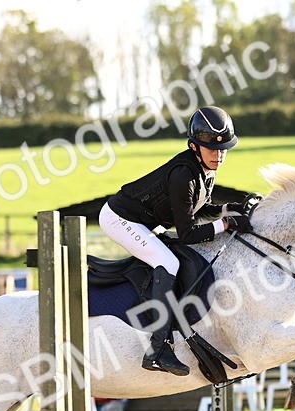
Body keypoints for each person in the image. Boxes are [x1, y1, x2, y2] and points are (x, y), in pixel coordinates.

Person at [100, 106, 253, 377]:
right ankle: (158, 350)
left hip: (144, 220)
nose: (218, 155)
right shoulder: (185, 175)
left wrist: (231, 208)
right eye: (211, 149)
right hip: (120, 219)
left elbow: (198, 208)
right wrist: (226, 224)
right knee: (167, 261)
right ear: (194, 147)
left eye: (223, 149)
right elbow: (188, 233)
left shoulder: (205, 168)